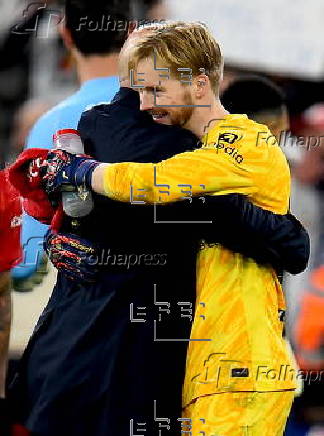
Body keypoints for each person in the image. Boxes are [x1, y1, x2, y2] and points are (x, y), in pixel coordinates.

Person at [40, 22, 304, 435]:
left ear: (200, 86)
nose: (145, 105)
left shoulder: (240, 143)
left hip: (241, 368)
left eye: (155, 91)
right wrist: (63, 233)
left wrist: (78, 169)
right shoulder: (204, 148)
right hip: (213, 368)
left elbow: (153, 182)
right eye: (139, 92)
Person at [15, 0, 132, 282]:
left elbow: (26, 261)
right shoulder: (170, 113)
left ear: (65, 34)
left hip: (87, 304)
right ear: (131, 31)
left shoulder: (50, 125)